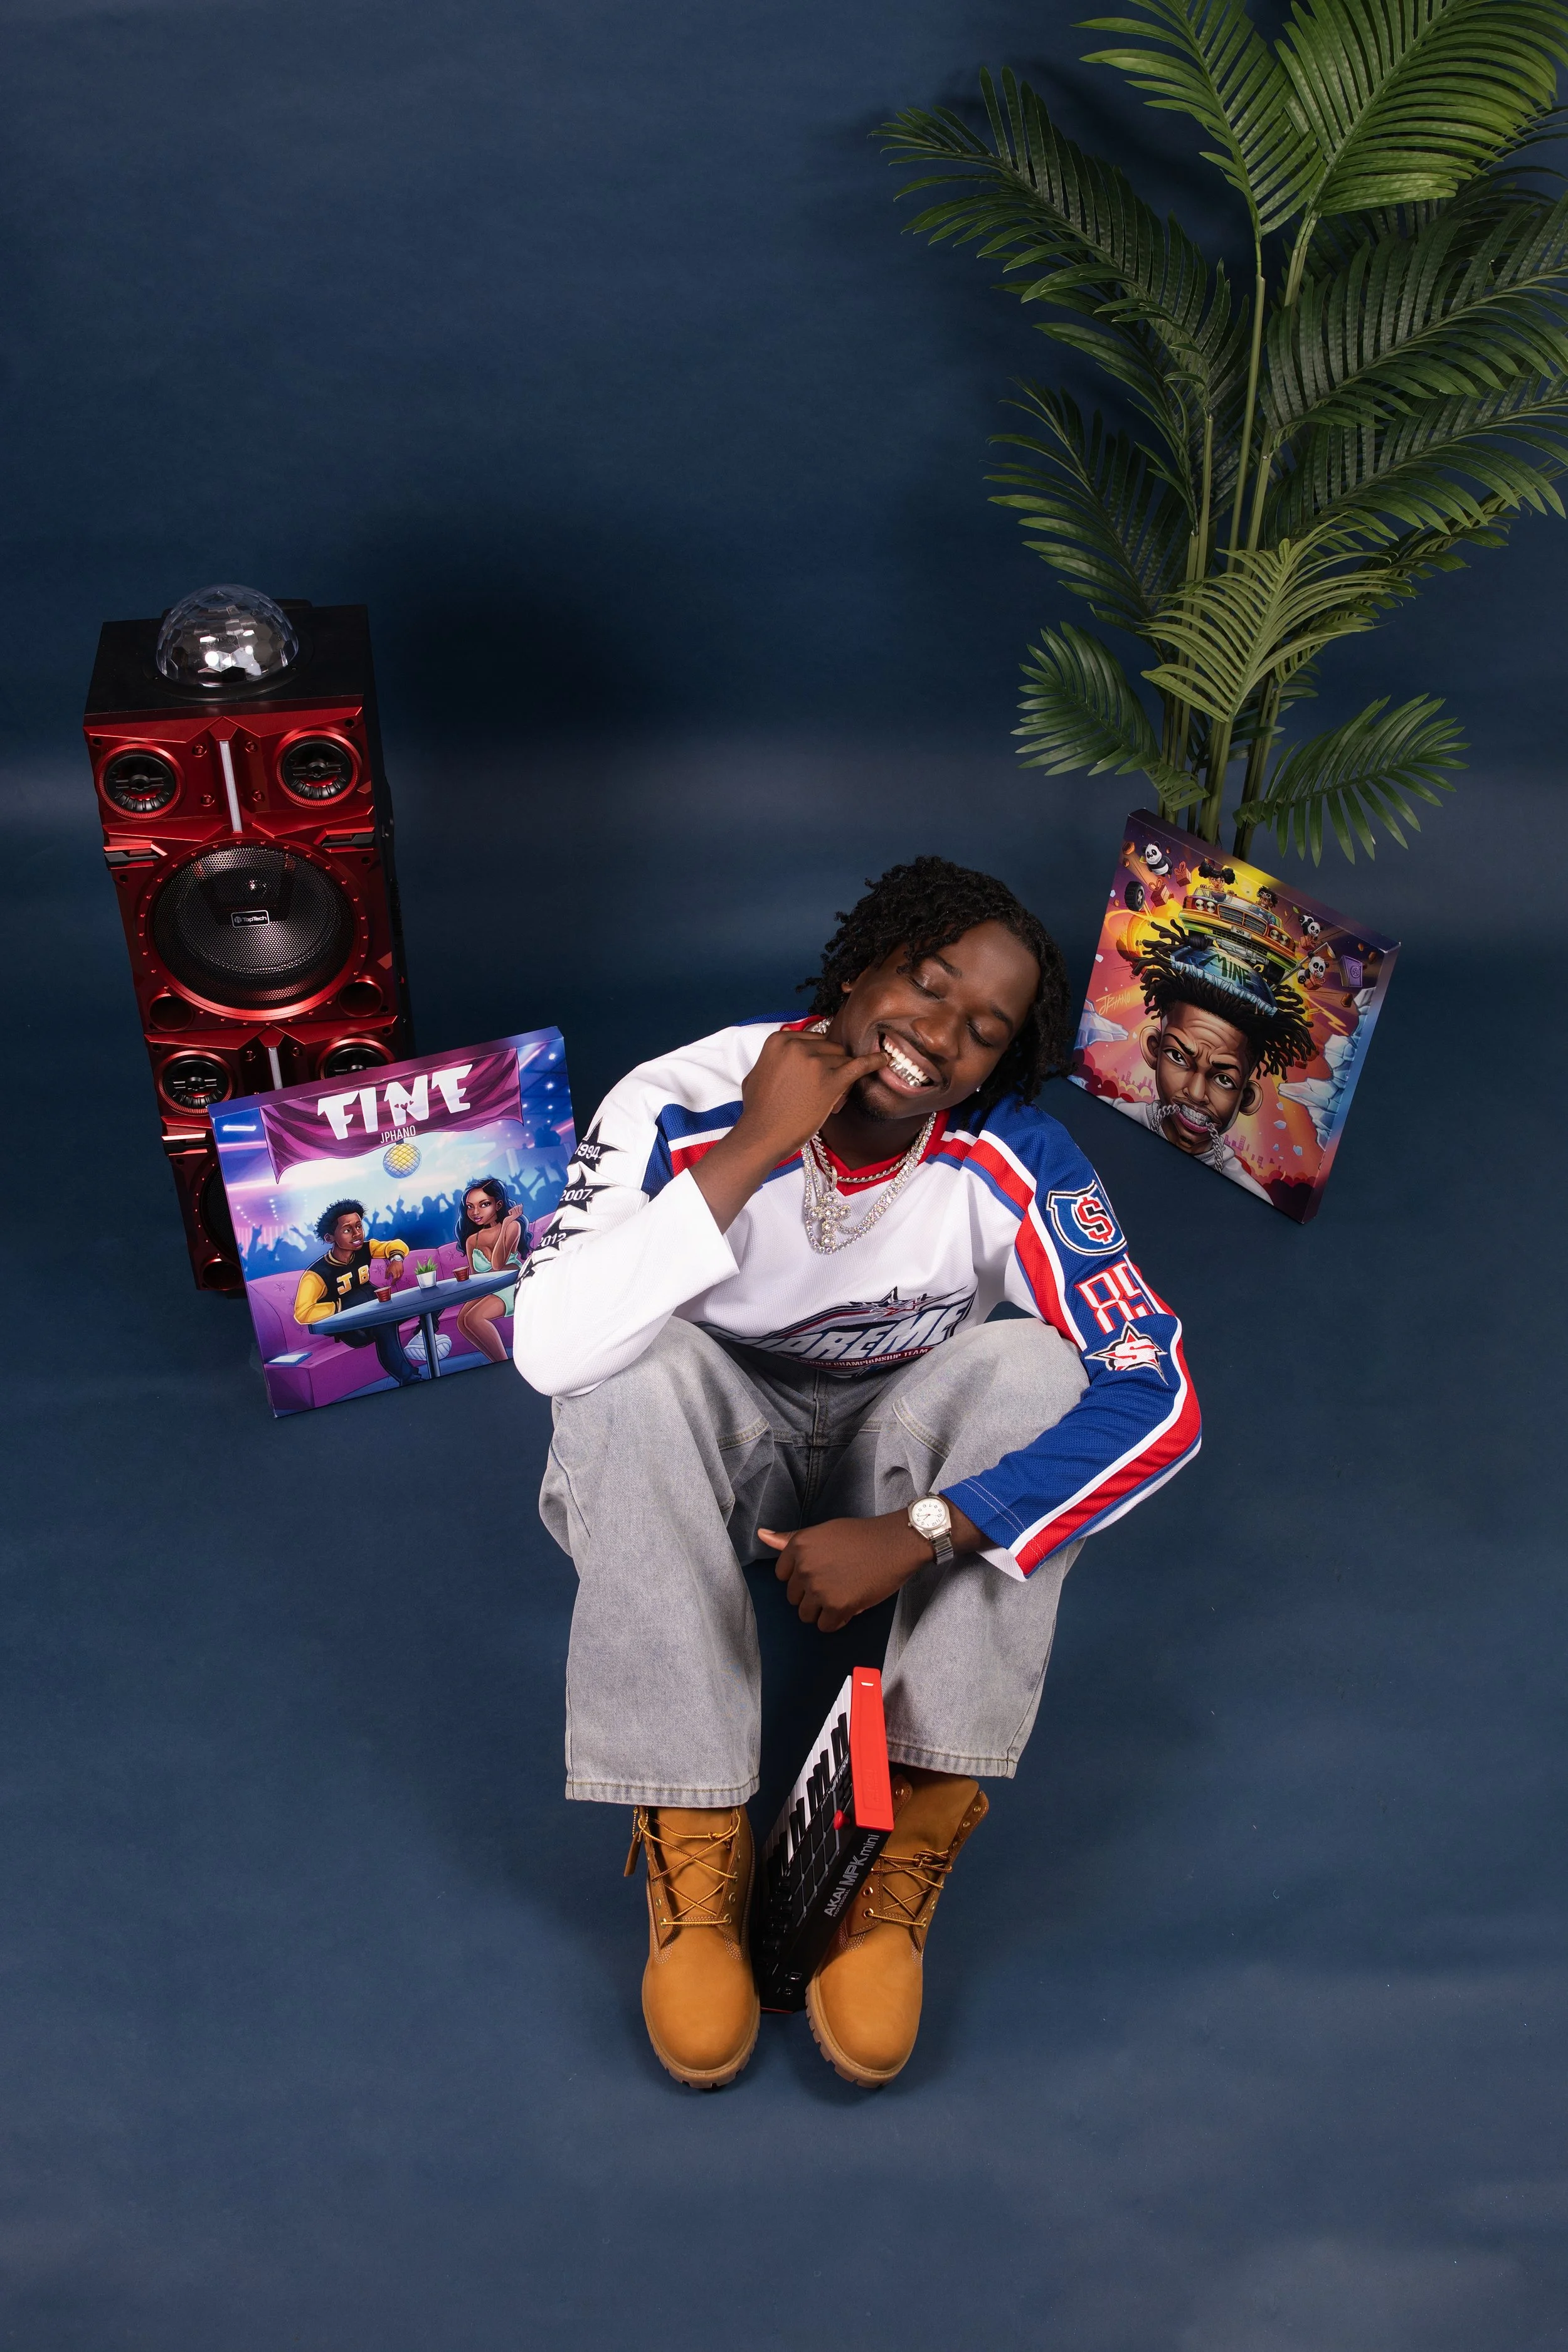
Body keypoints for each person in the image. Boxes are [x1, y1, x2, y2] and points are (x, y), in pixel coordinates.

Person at [512, 857, 1200, 2091]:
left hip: (892, 1464)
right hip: (718, 1454)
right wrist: (759, 1141)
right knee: (623, 1369)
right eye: (925, 984)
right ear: (857, 968)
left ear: (1001, 1062)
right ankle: (694, 1830)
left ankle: (900, 1848)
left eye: (984, 1028)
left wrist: (930, 1528)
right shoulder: (678, 1098)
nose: (939, 1034)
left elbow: (1156, 1394)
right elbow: (550, 1350)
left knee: (1037, 1370)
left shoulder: (1012, 1151)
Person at [1124, 923, 1315, 1202]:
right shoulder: (1116, 1119)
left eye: (1224, 1080)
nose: (1196, 1093)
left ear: (1247, 1098)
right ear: (1153, 1049)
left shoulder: (1251, 1199)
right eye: (1179, 1057)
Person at [292, 1200, 422, 1387]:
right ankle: (409, 1379)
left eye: (359, 1226)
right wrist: (344, 1306)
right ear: (330, 1238)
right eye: (348, 1230)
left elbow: (395, 1245)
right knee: (382, 1322)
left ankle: (423, 1337)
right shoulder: (317, 1274)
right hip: (352, 1328)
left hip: (376, 1310)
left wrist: (396, 1259)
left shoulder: (365, 1249)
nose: (357, 1234)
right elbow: (303, 1313)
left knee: (425, 1299)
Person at [453, 1177, 527, 1364]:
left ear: (498, 1204)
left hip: (511, 1284)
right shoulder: (472, 1240)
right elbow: (476, 1277)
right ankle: (497, 1362)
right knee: (462, 1321)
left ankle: (504, 1364)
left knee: (474, 1319)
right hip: (489, 1287)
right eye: (470, 1207)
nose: (475, 1212)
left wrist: (506, 1224)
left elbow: (498, 1264)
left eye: (484, 1204)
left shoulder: (513, 1227)